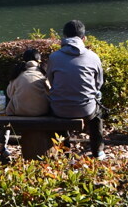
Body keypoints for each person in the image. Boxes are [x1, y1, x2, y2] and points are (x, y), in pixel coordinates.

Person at [46, 19, 106, 159]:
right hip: (86, 109)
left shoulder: (54, 57)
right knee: (97, 113)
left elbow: (50, 81)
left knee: (57, 106)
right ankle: (98, 151)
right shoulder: (93, 56)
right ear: (84, 38)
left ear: (65, 37)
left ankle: (64, 151)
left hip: (59, 108)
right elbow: (99, 84)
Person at [5, 48, 50, 116]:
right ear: (38, 60)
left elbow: (9, 94)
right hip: (42, 111)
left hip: (19, 111)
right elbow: (50, 91)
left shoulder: (17, 74)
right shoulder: (43, 73)